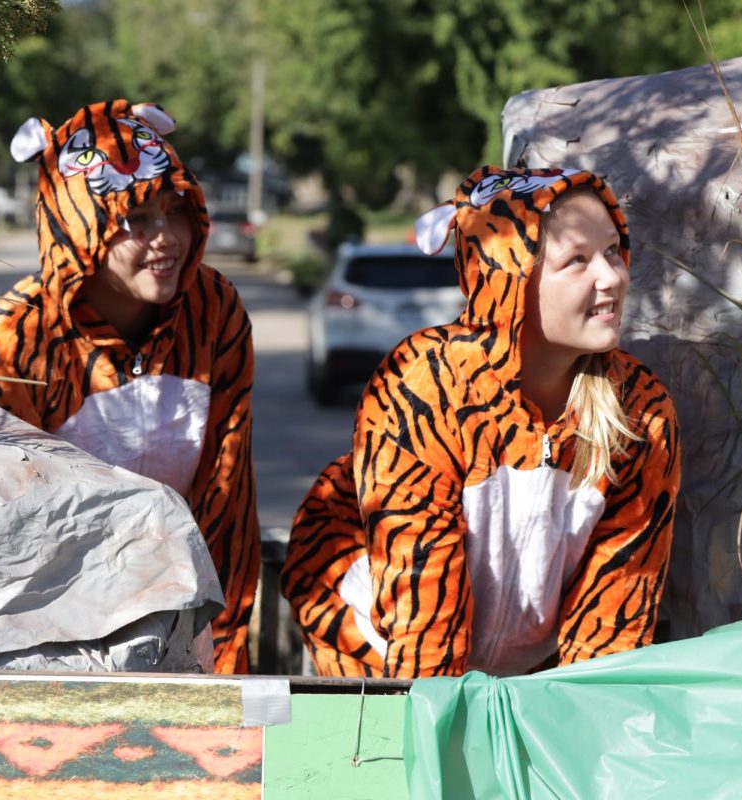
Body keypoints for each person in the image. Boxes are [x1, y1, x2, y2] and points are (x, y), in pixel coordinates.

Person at [281, 166, 680, 678]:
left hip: (521, 681)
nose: (612, 277)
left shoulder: (641, 411)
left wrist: (578, 723)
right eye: (577, 260)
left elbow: (613, 621)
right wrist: (431, 726)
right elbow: (423, 617)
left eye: (611, 251)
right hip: (381, 657)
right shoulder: (426, 383)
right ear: (508, 279)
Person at [0, 99, 259, 674]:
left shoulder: (215, 308)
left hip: (185, 615)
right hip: (50, 631)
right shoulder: (19, 334)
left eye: (176, 211)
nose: (167, 239)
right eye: (137, 221)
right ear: (80, 229)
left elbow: (227, 503)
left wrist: (222, 663)